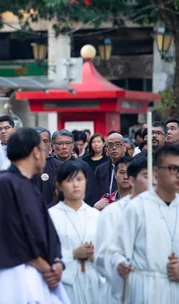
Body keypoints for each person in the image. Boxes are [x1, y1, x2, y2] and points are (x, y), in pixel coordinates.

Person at [0, 128, 69, 304]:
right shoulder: (5, 184)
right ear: (35, 152)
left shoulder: (27, 184)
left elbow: (45, 230)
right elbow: (7, 235)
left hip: (38, 272)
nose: (47, 152)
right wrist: (45, 266)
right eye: (43, 147)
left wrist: (57, 262)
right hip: (11, 275)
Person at [111, 145, 179, 303]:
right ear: (156, 172)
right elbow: (117, 252)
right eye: (172, 168)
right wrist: (120, 263)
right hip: (145, 288)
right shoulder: (136, 207)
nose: (177, 175)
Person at [94, 157, 152, 303]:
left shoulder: (157, 209)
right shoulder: (111, 212)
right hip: (120, 286)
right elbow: (102, 254)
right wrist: (117, 265)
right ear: (134, 179)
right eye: (146, 176)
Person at [48, 162, 101, 303]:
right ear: (59, 185)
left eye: (79, 179)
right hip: (65, 282)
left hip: (93, 280)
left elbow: (108, 250)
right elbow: (46, 254)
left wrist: (96, 255)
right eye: (69, 180)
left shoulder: (96, 215)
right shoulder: (51, 216)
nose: (75, 185)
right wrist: (73, 254)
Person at [52, 130, 98, 206]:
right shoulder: (46, 165)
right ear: (53, 145)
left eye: (68, 143)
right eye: (60, 143)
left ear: (73, 145)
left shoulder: (83, 166)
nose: (64, 147)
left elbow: (91, 192)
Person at [93, 133, 126, 209]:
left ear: (124, 147)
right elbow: (95, 192)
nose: (114, 148)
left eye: (118, 144)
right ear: (106, 150)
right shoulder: (100, 169)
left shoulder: (132, 166)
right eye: (110, 145)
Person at [33, 127, 62, 207]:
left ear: (50, 145)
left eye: (45, 141)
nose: (41, 145)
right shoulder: (24, 168)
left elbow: (64, 194)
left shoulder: (60, 167)